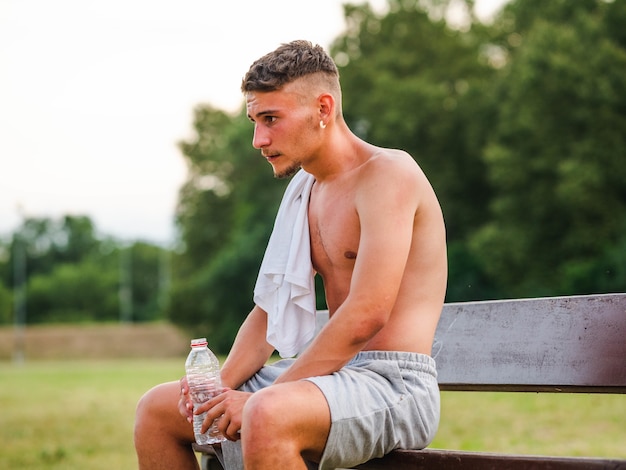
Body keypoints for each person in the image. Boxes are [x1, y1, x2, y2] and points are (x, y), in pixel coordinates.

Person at [134, 39, 447, 470]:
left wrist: (262, 397)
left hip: (394, 384)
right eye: (254, 121)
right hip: (328, 379)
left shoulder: (387, 175)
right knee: (157, 409)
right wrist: (218, 388)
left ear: (322, 108)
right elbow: (270, 312)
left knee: (266, 414)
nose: (258, 139)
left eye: (271, 119)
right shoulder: (305, 190)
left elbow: (367, 314)